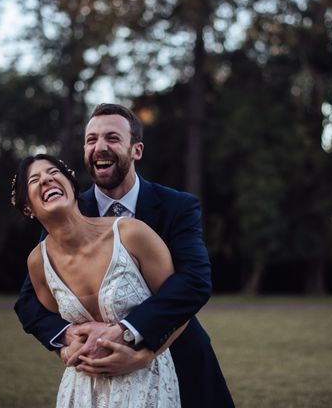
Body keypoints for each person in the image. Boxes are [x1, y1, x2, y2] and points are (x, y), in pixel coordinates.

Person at [14, 103, 234, 407]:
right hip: (94, 378)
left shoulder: (177, 206)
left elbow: (194, 281)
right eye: (91, 140)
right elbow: (29, 302)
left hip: (179, 358)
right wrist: (66, 339)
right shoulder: (66, 210)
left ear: (136, 150)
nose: (100, 147)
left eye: (112, 138)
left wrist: (136, 345)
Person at [12, 153, 182, 406]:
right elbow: (46, 316)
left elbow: (178, 306)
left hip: (145, 383)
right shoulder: (38, 262)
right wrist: (65, 345)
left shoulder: (131, 234)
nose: (46, 180)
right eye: (34, 179)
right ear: (28, 207)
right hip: (81, 389)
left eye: (53, 173)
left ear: (71, 184)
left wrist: (144, 356)